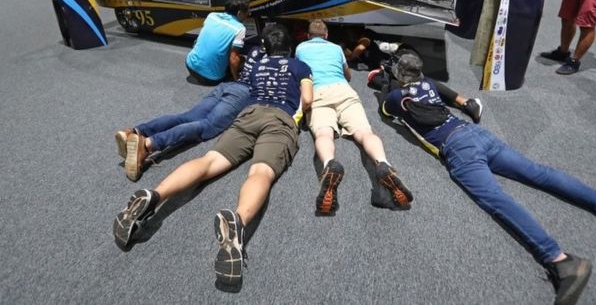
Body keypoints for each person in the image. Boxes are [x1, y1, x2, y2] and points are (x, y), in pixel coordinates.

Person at [379, 52, 596, 305]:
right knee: (540, 174)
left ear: (398, 75)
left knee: (497, 200)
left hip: (456, 149)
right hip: (477, 135)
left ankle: (560, 261)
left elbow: (386, 113)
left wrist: (383, 83)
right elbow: (455, 98)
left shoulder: (396, 97)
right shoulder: (429, 83)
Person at [112, 24, 313, 292]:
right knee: (260, 173)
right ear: (290, 47)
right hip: (279, 118)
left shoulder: (258, 65)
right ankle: (238, 222)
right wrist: (298, 116)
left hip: (249, 114)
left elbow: (247, 85)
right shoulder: (299, 66)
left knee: (209, 161)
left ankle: (154, 195)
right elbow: (308, 99)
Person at [294, 19, 412, 215]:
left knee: (324, 134)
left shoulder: (300, 48)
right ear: (326, 35)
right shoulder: (335, 48)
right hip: (343, 91)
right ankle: (384, 164)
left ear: (308, 35)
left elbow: (301, 75)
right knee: (365, 133)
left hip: (318, 93)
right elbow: (347, 74)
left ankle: (329, 164)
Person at [115, 45, 265, 181]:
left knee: (186, 117)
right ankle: (147, 145)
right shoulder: (282, 63)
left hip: (229, 85)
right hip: (244, 93)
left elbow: (236, 61)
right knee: (205, 126)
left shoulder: (256, 49)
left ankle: (134, 132)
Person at [186, 0, 250, 86]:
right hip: (210, 78)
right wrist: (237, 78)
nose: (249, 13)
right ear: (239, 13)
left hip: (190, 65)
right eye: (248, 10)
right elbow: (233, 59)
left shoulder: (212, 16)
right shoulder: (239, 29)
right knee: (242, 59)